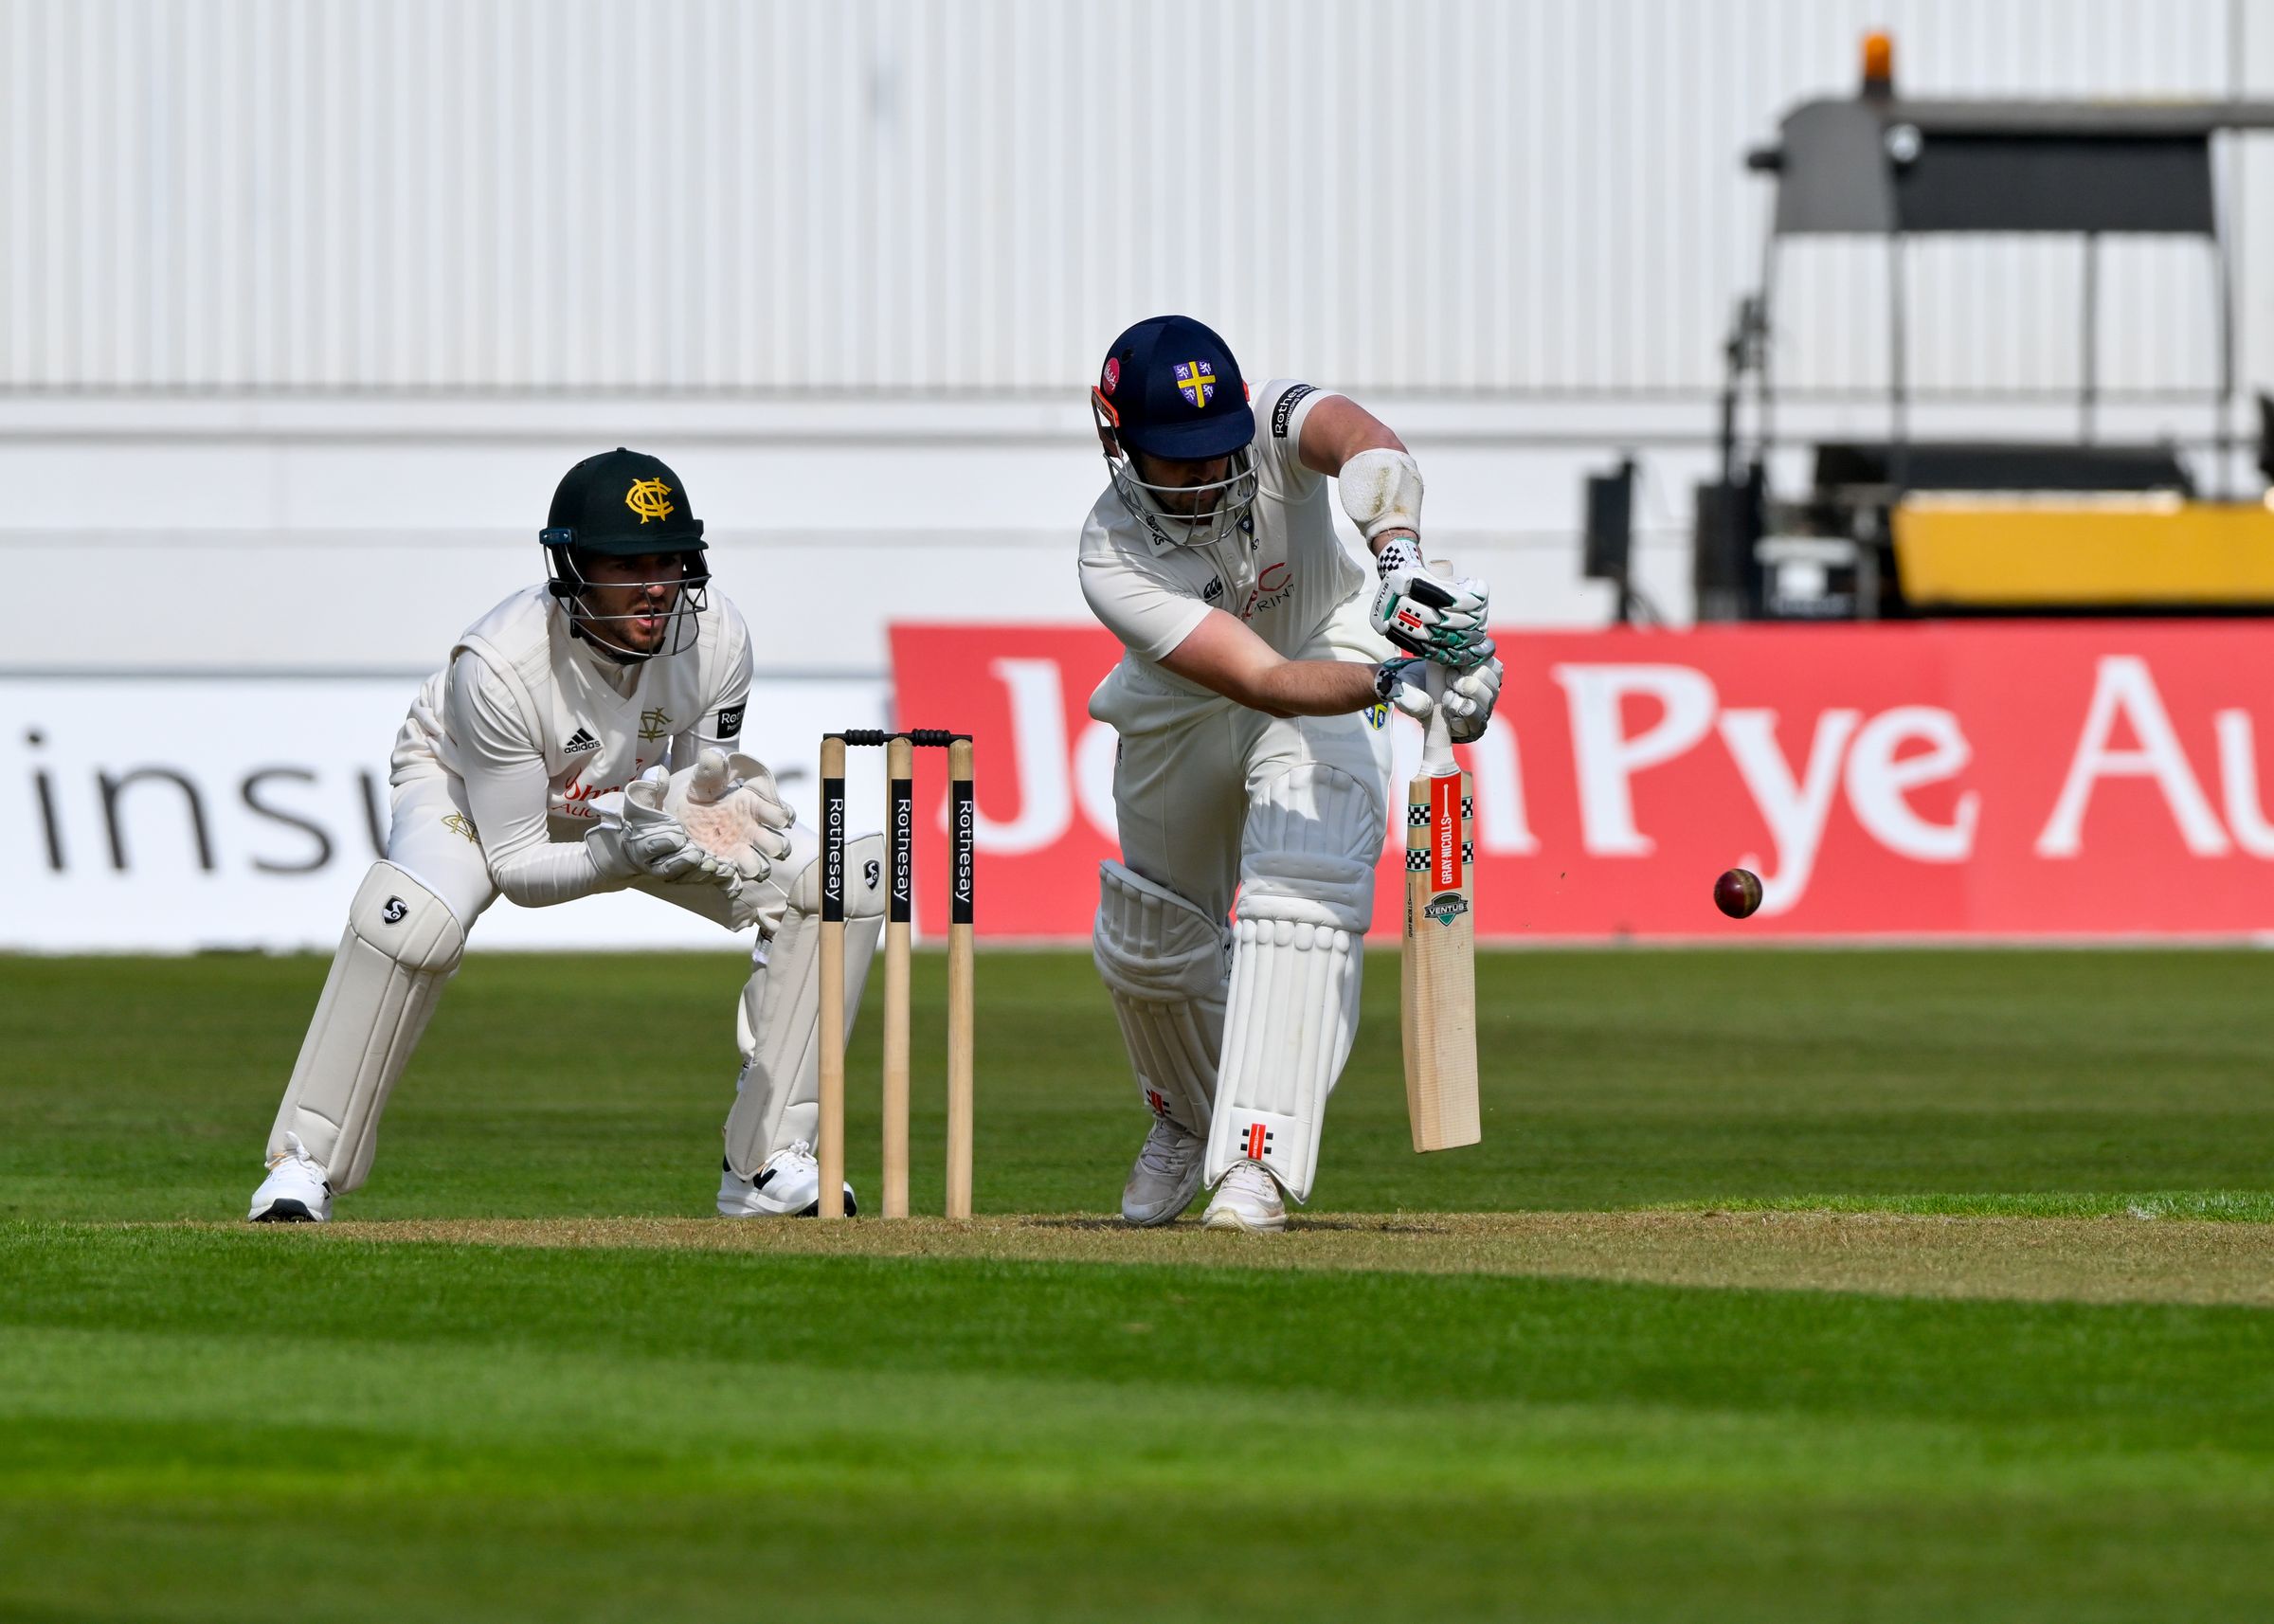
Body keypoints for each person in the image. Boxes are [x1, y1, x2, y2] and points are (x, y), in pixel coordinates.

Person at [247, 448, 884, 1222]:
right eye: (627, 564)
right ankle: (302, 1164)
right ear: (573, 567)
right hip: (467, 785)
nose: (657, 585)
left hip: (625, 796)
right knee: (417, 924)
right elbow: (517, 864)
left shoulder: (718, 640)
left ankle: (765, 1166)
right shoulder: (499, 666)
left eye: (670, 561)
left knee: (832, 891)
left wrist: (710, 813)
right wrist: (622, 851)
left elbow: (698, 783)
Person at [1081, 316, 1502, 1232]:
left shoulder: (1271, 424)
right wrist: (1400, 679)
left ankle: (1254, 1162)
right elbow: (1263, 682)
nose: (1202, 477)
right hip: (1184, 705)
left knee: (1300, 897)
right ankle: (1187, 1119)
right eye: (1176, 460)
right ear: (1120, 441)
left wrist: (1400, 564)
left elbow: (1364, 441)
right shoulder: (1110, 554)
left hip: (1328, 636)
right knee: (1153, 946)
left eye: (1214, 451)